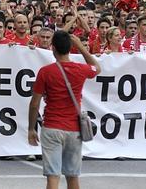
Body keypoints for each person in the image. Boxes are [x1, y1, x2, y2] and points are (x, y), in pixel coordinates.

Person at [28, 31, 101, 189]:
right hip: (74, 129)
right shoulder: (80, 69)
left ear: (53, 48)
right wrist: (81, 46)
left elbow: (34, 103)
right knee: (73, 176)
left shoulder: (45, 72)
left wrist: (31, 129)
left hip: (52, 126)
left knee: (53, 177)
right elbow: (97, 68)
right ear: (70, 49)